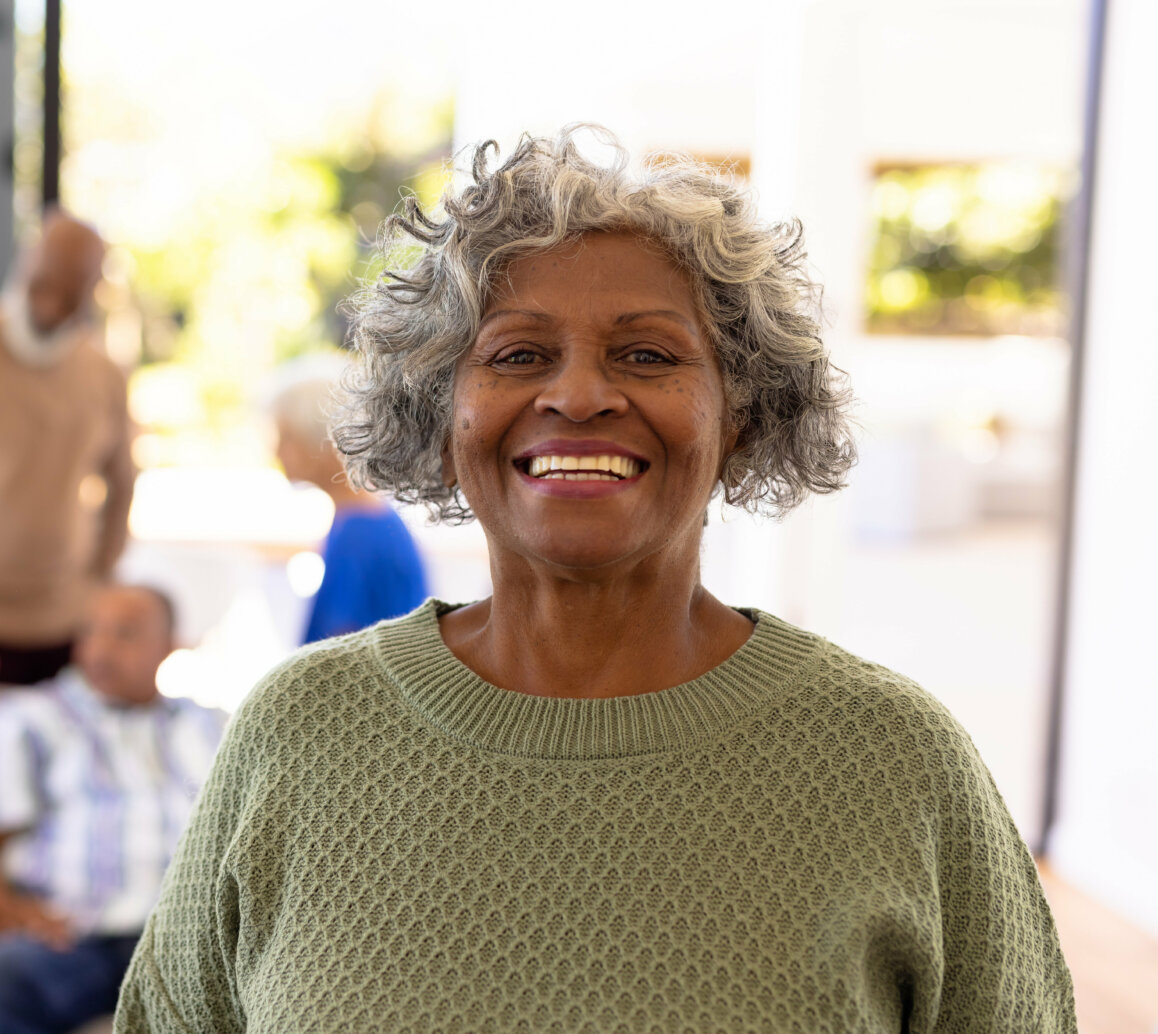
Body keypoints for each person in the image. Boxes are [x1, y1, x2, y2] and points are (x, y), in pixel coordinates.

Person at [115, 126, 1076, 1033]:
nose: (577, 394)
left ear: (740, 416)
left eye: (648, 354)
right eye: (519, 354)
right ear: (441, 418)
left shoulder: (891, 763)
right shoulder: (302, 730)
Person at [0, 583, 226, 1033]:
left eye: (124, 634)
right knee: (9, 977)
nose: (101, 648)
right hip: (72, 938)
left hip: (183, 944)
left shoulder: (210, 726)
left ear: (168, 647)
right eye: (91, 632)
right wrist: (13, 910)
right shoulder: (32, 719)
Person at [0, 209, 135, 686]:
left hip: (62, 620)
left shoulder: (103, 375)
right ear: (27, 262)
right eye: (47, 278)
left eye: (73, 285)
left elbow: (122, 483)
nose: (55, 299)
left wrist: (98, 578)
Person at [269, 355, 428, 643]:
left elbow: (334, 654)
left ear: (323, 439)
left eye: (286, 437)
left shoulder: (360, 533)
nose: (277, 453)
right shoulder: (361, 520)